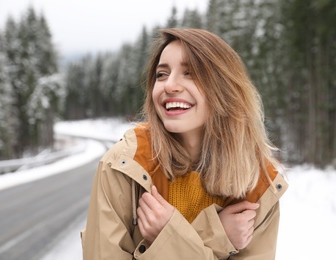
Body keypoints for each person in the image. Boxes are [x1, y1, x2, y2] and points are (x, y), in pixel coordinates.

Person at [81, 28, 288, 260]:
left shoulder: (257, 184)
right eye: (161, 74)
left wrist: (168, 235)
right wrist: (214, 236)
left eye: (190, 73)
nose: (170, 85)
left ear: (225, 87)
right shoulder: (125, 164)